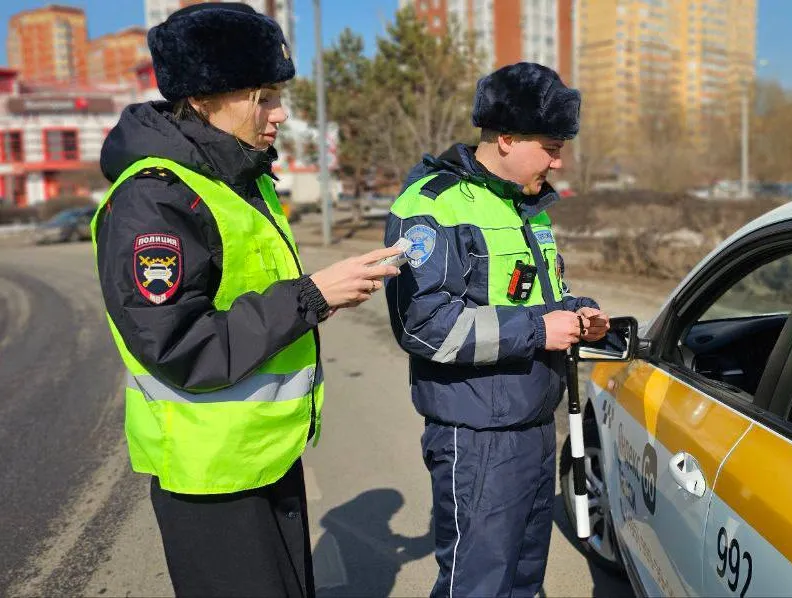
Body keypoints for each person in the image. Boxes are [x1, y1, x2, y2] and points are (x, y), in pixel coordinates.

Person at [90, 4, 400, 596]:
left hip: (264, 458)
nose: (279, 113)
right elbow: (179, 344)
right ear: (203, 99)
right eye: (262, 96)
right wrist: (310, 298)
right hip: (212, 477)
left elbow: (252, 299)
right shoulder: (156, 198)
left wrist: (325, 295)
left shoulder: (240, 179)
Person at [384, 62, 609, 597]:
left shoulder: (527, 207)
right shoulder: (433, 205)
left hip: (532, 425)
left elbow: (537, 295)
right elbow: (425, 327)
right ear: (505, 138)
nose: (558, 162)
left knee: (523, 580)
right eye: (550, 148)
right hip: (477, 434)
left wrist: (579, 314)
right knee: (478, 584)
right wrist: (538, 330)